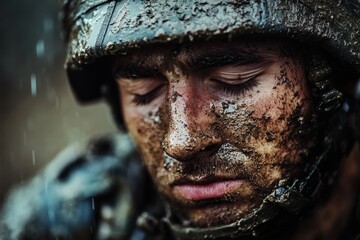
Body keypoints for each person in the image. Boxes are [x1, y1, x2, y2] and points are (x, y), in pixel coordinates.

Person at [1, 1, 360, 239]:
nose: (181, 141)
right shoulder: (70, 216)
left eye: (233, 81)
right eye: (144, 91)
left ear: (329, 82)